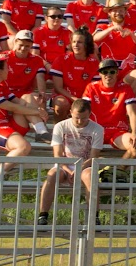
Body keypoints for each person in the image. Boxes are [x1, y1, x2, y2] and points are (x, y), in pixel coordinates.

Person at [0, 57, 50, 175]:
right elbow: (12, 107)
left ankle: (42, 132)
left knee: (27, 97)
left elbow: (19, 102)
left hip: (6, 124)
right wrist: (37, 112)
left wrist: (37, 109)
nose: (9, 70)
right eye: (7, 68)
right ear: (0, 71)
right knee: (23, 147)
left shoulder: (2, 84)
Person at [37, 96, 105, 226]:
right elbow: (57, 154)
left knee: (90, 177)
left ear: (89, 114)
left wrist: (79, 169)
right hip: (64, 164)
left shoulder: (97, 129)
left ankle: (93, 217)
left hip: (85, 165)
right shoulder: (60, 126)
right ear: (71, 113)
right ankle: (43, 215)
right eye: (76, 118)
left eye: (84, 118)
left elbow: (93, 157)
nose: (80, 121)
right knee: (52, 175)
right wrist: (68, 170)